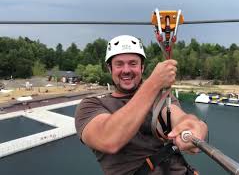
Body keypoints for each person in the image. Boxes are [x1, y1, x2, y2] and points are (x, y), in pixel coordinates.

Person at [75, 35, 208, 175]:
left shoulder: (158, 97)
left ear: (142, 67)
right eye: (119, 64)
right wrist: (154, 83)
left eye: (133, 63)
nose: (126, 70)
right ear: (110, 68)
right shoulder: (91, 106)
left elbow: (177, 117)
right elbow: (109, 139)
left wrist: (192, 125)